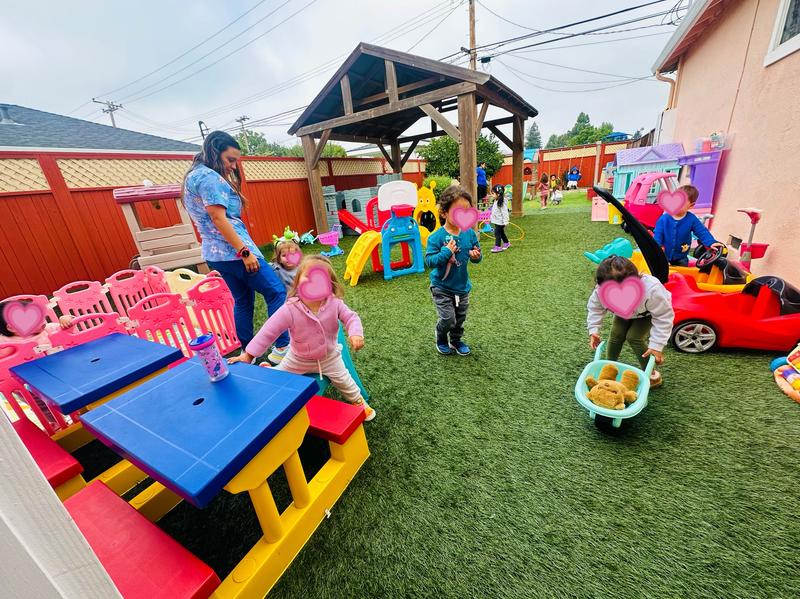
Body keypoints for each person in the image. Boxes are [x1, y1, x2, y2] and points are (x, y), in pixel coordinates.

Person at [182, 131, 288, 364]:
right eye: (230, 160)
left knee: (243, 301)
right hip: (234, 253)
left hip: (214, 254)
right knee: (276, 292)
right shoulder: (210, 177)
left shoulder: (193, 176)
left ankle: (247, 353)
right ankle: (283, 347)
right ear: (214, 152)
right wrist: (245, 252)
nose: (232, 166)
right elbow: (220, 219)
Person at [228, 256, 375, 421]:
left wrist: (356, 333)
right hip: (298, 358)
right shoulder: (290, 309)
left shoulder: (334, 303)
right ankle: (269, 369)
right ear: (298, 282)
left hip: (329, 358)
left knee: (345, 381)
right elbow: (269, 331)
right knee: (280, 378)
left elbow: (351, 317)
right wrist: (249, 355)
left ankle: (358, 401)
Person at [587, 256, 674, 388]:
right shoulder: (600, 289)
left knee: (633, 337)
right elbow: (595, 308)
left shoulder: (652, 289)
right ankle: (609, 368)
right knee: (616, 334)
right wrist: (594, 330)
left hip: (647, 313)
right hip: (623, 311)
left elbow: (663, 316)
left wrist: (657, 346)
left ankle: (651, 373)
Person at [425, 184, 482, 356]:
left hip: (462, 287)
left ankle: (456, 340)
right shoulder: (436, 238)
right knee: (448, 319)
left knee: (460, 319)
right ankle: (441, 337)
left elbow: (478, 256)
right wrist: (446, 252)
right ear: (444, 213)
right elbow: (430, 261)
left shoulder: (470, 234)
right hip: (441, 287)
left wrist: (475, 255)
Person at [653, 184, 722, 266]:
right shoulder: (664, 219)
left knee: (683, 273)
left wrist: (711, 242)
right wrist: (657, 250)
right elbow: (658, 235)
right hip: (663, 256)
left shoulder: (692, 219)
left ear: (691, 205)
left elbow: (702, 231)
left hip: (681, 257)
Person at [0, 302, 73, 346]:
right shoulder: (6, 342)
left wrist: (66, 319)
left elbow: (67, 330)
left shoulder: (48, 329)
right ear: (12, 328)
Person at [489, 183, 510, 253]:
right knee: (501, 233)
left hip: (500, 222)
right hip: (497, 221)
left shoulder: (502, 202)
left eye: (493, 193)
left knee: (497, 233)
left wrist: (506, 221)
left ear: (498, 194)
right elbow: (495, 211)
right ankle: (506, 243)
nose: (492, 195)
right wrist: (491, 218)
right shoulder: (496, 200)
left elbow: (505, 212)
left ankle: (497, 247)